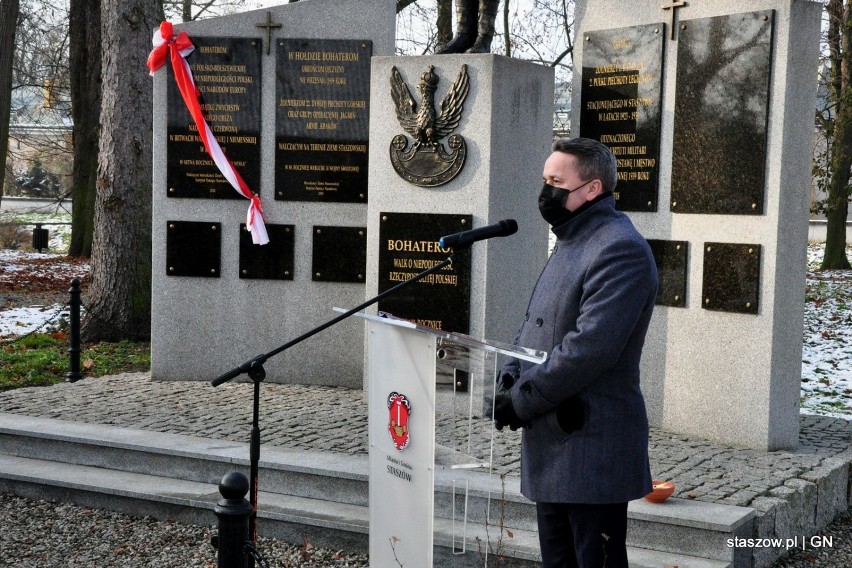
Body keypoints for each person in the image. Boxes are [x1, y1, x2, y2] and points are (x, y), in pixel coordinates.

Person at [493, 137, 658, 568]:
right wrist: (509, 377)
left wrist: (524, 400)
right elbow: (536, 324)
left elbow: (589, 348)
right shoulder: (573, 240)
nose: (545, 191)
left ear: (592, 189)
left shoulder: (618, 248)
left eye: (555, 181)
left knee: (593, 561)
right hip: (553, 434)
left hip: (590, 440)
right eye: (545, 179)